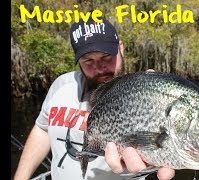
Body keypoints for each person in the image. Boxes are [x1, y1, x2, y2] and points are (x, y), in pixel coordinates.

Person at [14, 17, 175, 180]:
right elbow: (42, 129)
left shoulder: (144, 95)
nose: (99, 68)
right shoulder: (61, 85)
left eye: (106, 57)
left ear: (120, 48)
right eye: (88, 61)